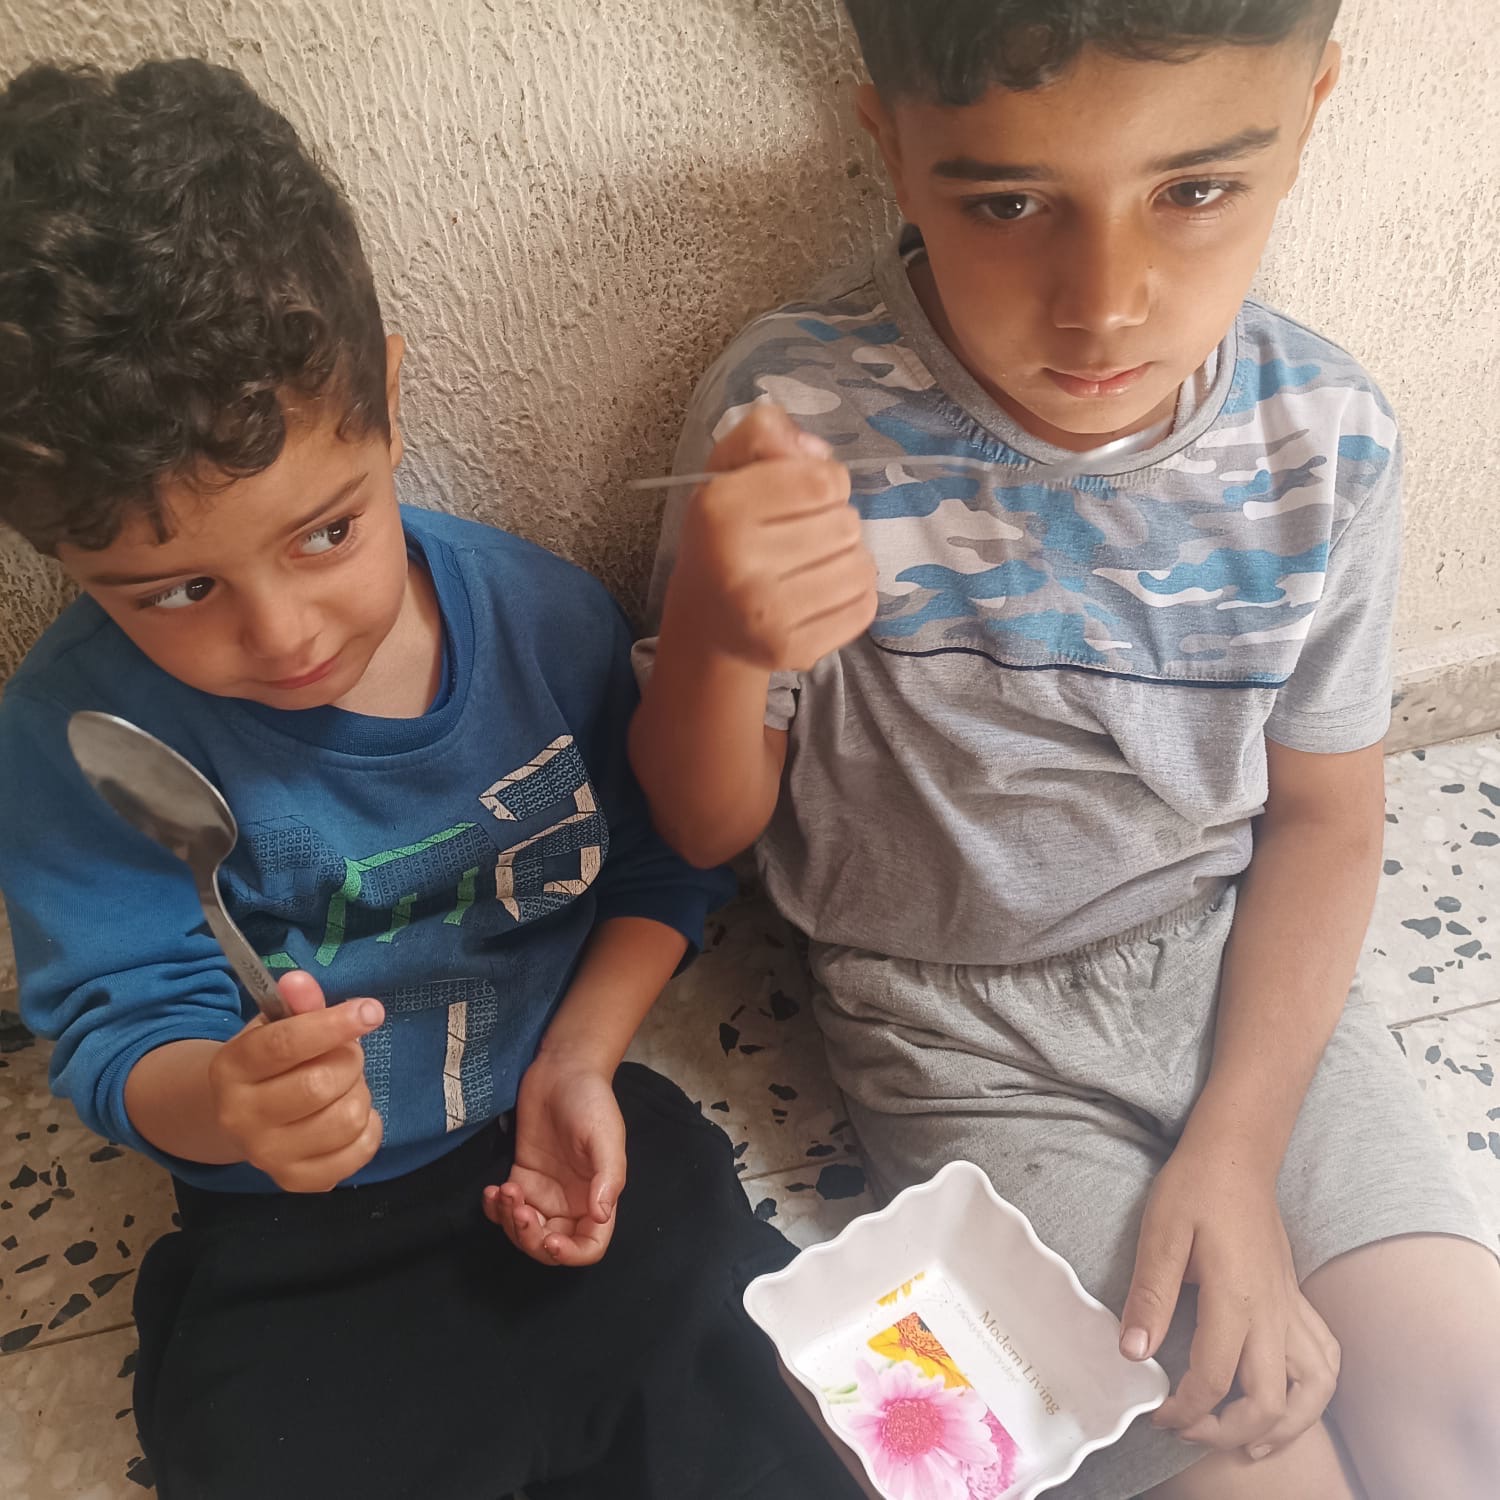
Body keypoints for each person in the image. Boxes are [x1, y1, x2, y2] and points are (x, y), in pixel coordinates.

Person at [628, 3, 1500, 1497]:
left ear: (1310, 116)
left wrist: (1238, 1148)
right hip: (957, 1031)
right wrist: (715, 633)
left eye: (1197, 189)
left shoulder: (1328, 438)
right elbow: (705, 831)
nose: (1103, 303)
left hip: (1242, 972)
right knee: (1246, 1467)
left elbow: (1326, 824)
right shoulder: (797, 414)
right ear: (893, 152)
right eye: (1010, 202)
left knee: (1467, 1409)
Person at [0, 59, 863, 1500]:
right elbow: (108, 1028)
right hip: (288, 1232)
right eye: (173, 591)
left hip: (549, 1120)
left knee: (734, 1340)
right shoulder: (69, 737)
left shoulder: (541, 623)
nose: (280, 637)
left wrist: (581, 1058)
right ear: (60, 557)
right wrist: (225, 1099)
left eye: (327, 532)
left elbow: (662, 859)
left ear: (389, 399)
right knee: (252, 1432)